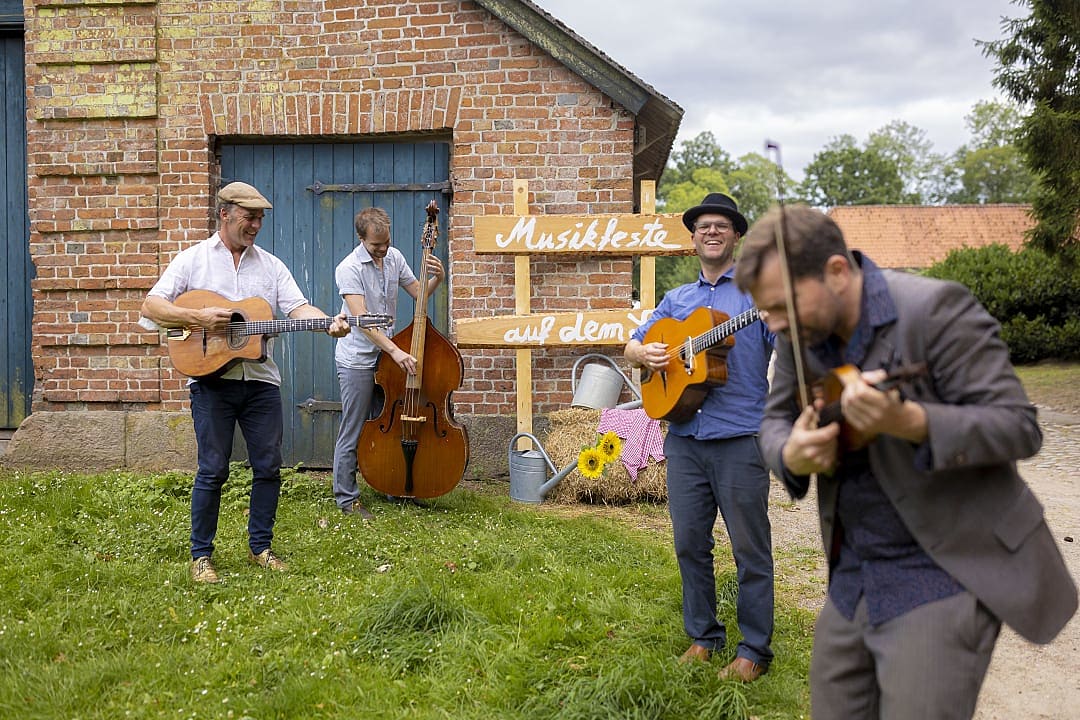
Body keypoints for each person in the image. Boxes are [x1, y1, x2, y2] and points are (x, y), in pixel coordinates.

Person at [734, 205, 1078, 719]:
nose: (773, 323)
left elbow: (1018, 426)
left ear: (835, 271)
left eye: (782, 306)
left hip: (942, 568)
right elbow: (774, 420)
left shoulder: (937, 308)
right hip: (852, 575)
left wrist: (911, 422)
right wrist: (790, 451)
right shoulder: (797, 335)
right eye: (765, 311)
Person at [141, 181, 351, 584]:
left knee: (269, 466)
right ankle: (201, 556)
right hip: (210, 383)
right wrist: (198, 319)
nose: (256, 225)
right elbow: (152, 305)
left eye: (260, 219)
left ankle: (262, 548)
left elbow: (297, 306)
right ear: (225, 213)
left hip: (261, 383)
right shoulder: (193, 260)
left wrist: (328, 322)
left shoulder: (271, 266)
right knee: (212, 468)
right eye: (249, 217)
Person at [624, 193, 776, 682]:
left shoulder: (756, 297)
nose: (712, 232)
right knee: (690, 543)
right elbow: (632, 344)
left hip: (739, 439)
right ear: (693, 239)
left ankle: (754, 648)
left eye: (722, 226)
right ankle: (703, 636)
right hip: (684, 438)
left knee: (750, 549)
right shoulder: (677, 302)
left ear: (736, 236)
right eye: (703, 226)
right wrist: (643, 354)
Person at [331, 206, 445, 517]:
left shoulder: (394, 257)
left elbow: (419, 294)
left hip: (387, 358)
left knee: (387, 427)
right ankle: (346, 498)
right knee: (354, 427)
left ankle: (392, 485)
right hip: (357, 358)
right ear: (361, 239)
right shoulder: (349, 268)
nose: (382, 251)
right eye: (375, 246)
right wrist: (395, 351)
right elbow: (363, 321)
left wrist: (438, 277)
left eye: (385, 244)